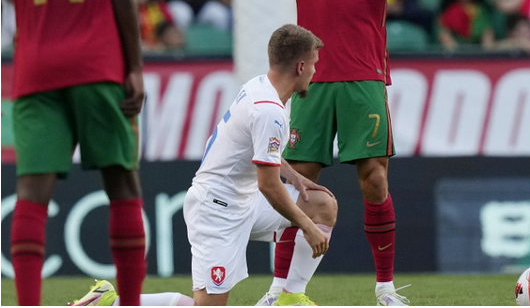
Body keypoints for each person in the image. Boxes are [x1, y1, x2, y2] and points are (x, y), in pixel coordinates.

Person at [162, 0, 477, 307]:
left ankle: (385, 288)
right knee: (300, 188)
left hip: (364, 78)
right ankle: (281, 291)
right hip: (311, 83)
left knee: (374, 182)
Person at [69, 24, 335, 308]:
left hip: (243, 202)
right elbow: (268, 185)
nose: (314, 72)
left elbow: (255, 149)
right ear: (300, 66)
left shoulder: (260, 86)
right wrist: (306, 226)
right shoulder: (269, 109)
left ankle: (288, 296)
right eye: (314, 65)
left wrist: (293, 176)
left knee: (322, 204)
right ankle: (108, 302)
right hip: (216, 212)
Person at [0, 0, 146, 306]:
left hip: (35, 70)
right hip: (99, 65)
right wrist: (135, 66)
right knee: (122, 183)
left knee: (31, 194)